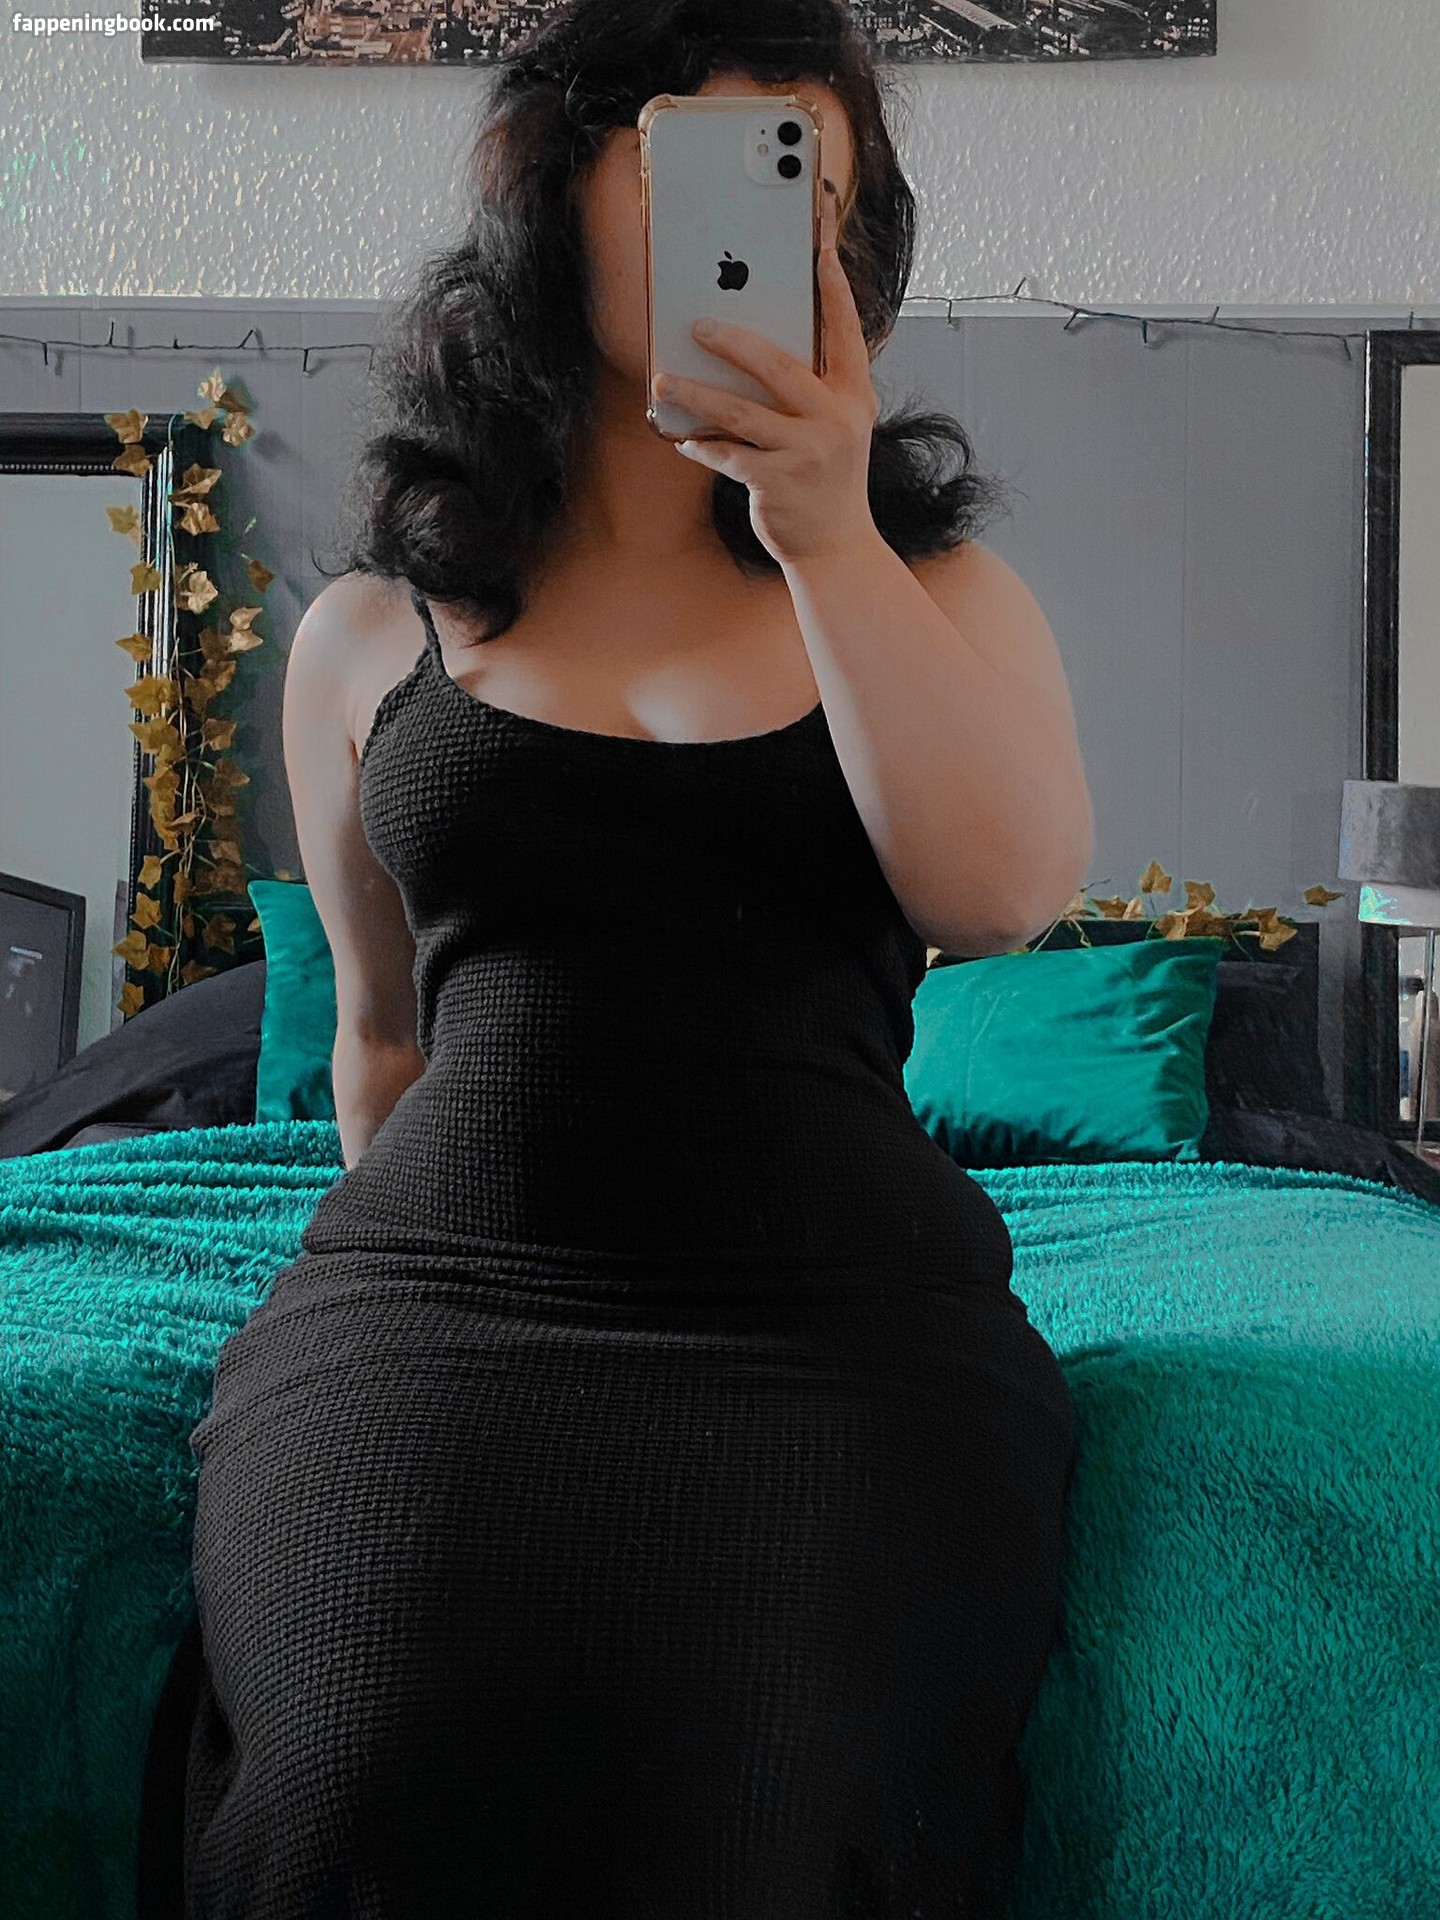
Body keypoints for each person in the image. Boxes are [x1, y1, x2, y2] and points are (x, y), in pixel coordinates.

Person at [137, 1, 1094, 1913]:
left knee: (763, 1805)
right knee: (354, 1784)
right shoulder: (373, 630)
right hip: (436, 1305)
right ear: (550, 197)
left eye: (802, 183)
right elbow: (380, 1043)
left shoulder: (936, 596)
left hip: (838, 1332)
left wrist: (824, 533)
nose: (749, 230)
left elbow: (999, 898)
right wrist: (423, 1311)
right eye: (687, 168)